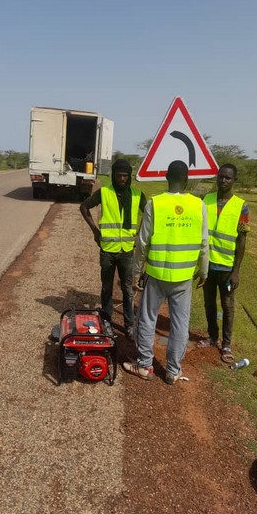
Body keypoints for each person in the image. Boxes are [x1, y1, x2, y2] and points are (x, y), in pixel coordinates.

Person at [123, 160, 209, 385]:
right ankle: (172, 371)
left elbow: (142, 243)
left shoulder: (155, 203)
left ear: (166, 177)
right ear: (187, 180)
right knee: (180, 324)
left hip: (156, 274)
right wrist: (204, 271)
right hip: (184, 278)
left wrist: (136, 272)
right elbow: (204, 242)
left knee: (147, 318)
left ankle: (144, 366)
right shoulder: (198, 205)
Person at [80, 159, 147, 339]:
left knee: (127, 289)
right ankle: (107, 321)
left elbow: (150, 215)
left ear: (130, 176)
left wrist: (141, 234)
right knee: (107, 287)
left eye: (125, 176)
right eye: (119, 175)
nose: (122, 179)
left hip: (127, 250)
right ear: (113, 176)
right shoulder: (104, 193)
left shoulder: (137, 195)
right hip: (108, 249)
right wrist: (95, 231)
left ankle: (129, 325)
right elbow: (84, 207)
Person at [196, 163, 250, 363]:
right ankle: (212, 336)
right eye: (221, 176)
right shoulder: (206, 200)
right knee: (209, 303)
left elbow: (242, 240)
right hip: (208, 265)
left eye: (228, 178)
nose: (223, 180)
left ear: (234, 180)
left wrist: (236, 271)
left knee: (228, 306)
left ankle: (226, 344)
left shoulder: (241, 206)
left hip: (227, 268)